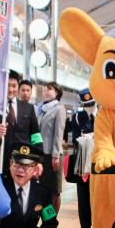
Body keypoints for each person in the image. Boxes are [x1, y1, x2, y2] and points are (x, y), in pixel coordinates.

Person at [0, 70, 42, 175]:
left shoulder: (28, 108)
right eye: (7, 85)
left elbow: (35, 135)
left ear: (18, 87)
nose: (10, 89)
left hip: (23, 159)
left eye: (14, 86)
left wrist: (39, 160)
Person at [37, 81, 66, 214]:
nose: (45, 91)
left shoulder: (59, 108)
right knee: (42, 189)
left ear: (57, 93)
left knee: (54, 190)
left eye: (49, 89)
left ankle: (51, 222)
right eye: (44, 90)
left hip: (52, 155)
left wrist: (55, 156)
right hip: (40, 155)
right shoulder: (40, 109)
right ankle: (44, 219)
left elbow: (58, 134)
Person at [71, 88, 96, 228]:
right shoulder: (76, 117)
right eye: (86, 104)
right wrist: (88, 138)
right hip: (82, 163)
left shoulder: (103, 115)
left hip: (98, 163)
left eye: (91, 104)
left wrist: (88, 137)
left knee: (99, 199)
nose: (89, 107)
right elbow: (74, 139)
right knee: (83, 197)